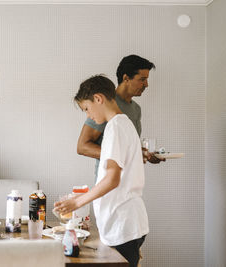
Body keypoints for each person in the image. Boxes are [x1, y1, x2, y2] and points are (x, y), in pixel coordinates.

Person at [55, 75, 148, 267]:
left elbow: (112, 179)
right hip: (125, 222)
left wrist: (77, 202)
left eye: (87, 109)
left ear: (98, 98)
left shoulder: (115, 127)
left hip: (123, 225)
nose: (88, 115)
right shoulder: (123, 124)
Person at [77, 55, 163, 180]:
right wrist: (124, 156)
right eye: (142, 79)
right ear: (126, 78)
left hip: (128, 180)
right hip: (107, 181)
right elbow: (82, 147)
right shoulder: (104, 105)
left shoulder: (136, 109)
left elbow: (125, 147)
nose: (146, 84)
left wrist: (142, 153)